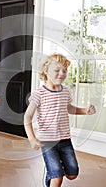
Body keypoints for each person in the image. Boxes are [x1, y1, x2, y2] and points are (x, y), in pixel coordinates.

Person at [24, 53, 96, 187]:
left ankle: (51, 172)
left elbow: (68, 108)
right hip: (47, 141)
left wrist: (85, 111)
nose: (62, 73)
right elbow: (27, 117)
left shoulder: (66, 91)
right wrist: (32, 139)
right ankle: (54, 172)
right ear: (46, 71)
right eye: (57, 70)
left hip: (65, 139)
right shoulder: (39, 94)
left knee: (72, 174)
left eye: (65, 70)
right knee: (57, 178)